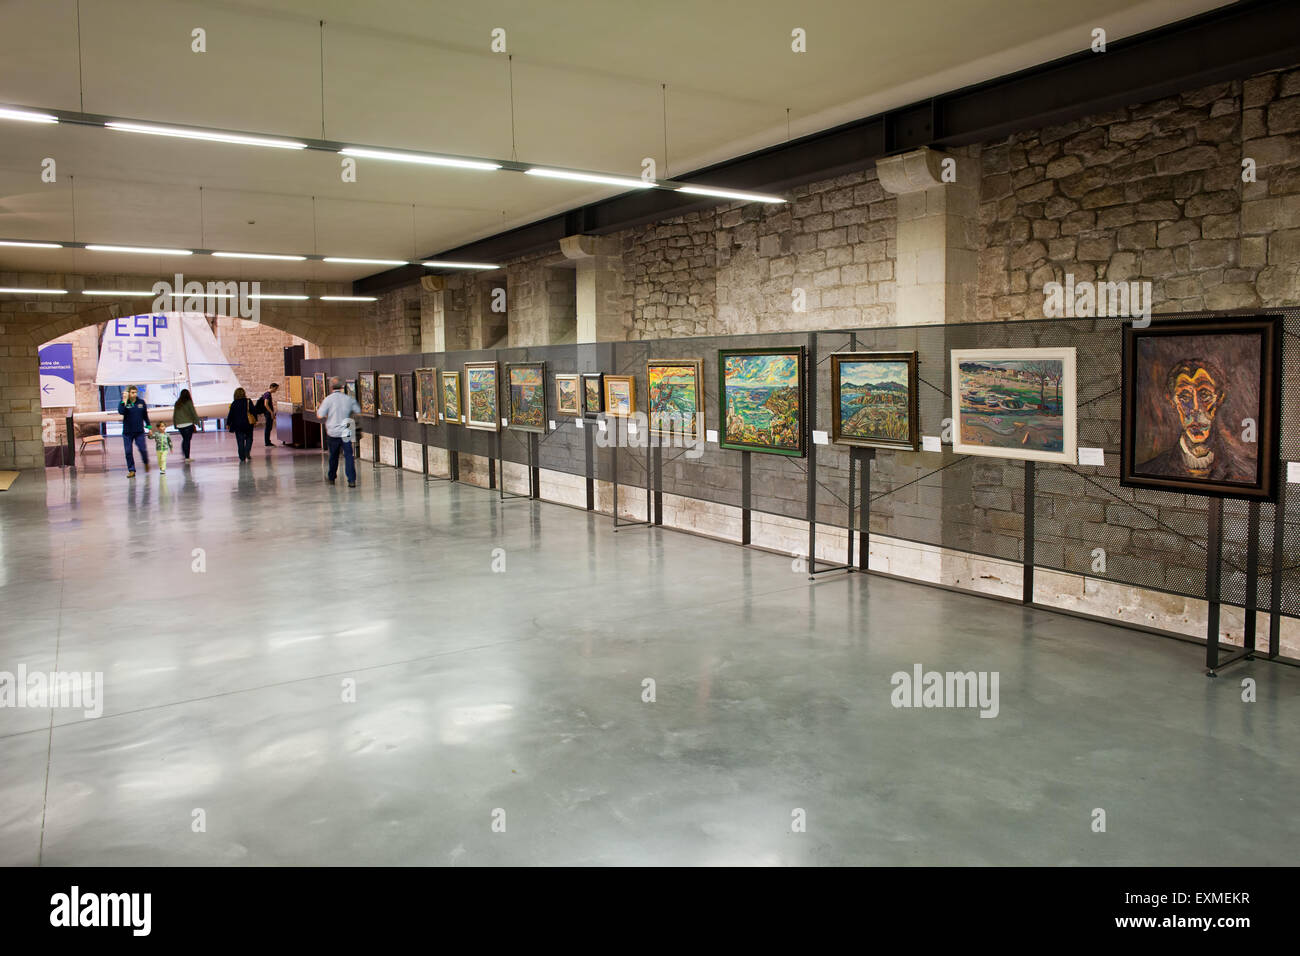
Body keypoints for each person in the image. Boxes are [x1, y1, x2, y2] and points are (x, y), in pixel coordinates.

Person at [1139, 358, 1254, 481]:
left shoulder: (1248, 471)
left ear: (1219, 399)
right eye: (1184, 397)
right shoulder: (1148, 471)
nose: (1195, 408)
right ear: (1173, 401)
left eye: (1204, 395)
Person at [316, 377, 361, 487]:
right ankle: (351, 480)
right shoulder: (348, 399)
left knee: (333, 455)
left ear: (331, 387)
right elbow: (358, 411)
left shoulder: (328, 400)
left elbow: (319, 415)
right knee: (349, 456)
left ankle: (331, 477)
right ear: (342, 387)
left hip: (333, 432)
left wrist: (328, 414)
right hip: (346, 430)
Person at [117, 385, 150, 477]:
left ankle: (146, 461)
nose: (134, 394)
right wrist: (124, 400)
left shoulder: (141, 402)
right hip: (127, 432)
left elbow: (145, 416)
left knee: (142, 449)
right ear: (128, 393)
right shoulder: (124, 402)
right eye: (132, 392)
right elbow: (121, 412)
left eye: (135, 392)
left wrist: (149, 428)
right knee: (128, 451)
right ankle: (131, 470)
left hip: (139, 431)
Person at [226, 387, 257, 462]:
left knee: (240, 441)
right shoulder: (248, 401)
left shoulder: (234, 403)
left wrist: (228, 423)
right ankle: (247, 451)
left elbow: (231, 415)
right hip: (248, 424)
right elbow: (253, 411)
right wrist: (255, 420)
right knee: (249, 438)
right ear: (244, 393)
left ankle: (242, 457)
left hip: (238, 425)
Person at [172, 388, 200, 461]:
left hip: (180, 425)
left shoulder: (177, 403)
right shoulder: (189, 402)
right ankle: (187, 457)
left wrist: (175, 424)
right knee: (187, 440)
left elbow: (175, 414)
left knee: (185, 439)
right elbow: (193, 412)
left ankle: (185, 454)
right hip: (188, 424)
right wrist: (197, 422)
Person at [257, 382, 280, 447]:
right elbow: (266, 404)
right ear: (272, 387)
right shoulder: (267, 394)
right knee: (268, 427)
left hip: (268, 412)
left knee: (269, 427)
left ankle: (268, 441)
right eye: (275, 388)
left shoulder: (267, 394)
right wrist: (271, 412)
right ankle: (267, 442)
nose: (276, 390)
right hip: (268, 413)